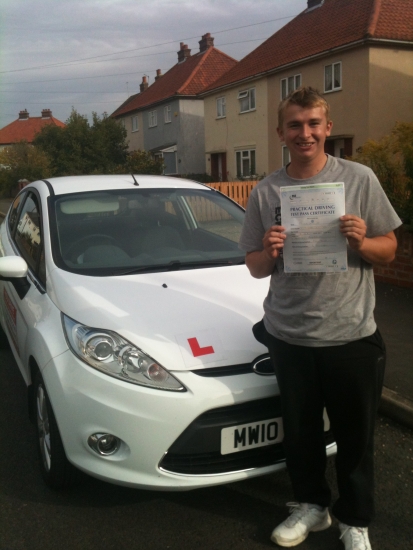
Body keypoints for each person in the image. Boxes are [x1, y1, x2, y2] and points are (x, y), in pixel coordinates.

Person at [239, 87, 402, 550]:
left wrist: (361, 242)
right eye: (295, 125)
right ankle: (312, 506)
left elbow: (388, 250)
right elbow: (253, 267)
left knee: (355, 439)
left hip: (350, 334)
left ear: (327, 128)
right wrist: (268, 252)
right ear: (280, 133)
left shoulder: (359, 179)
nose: (304, 133)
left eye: (313, 124)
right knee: (301, 434)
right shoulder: (266, 190)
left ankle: (355, 520)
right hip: (289, 335)